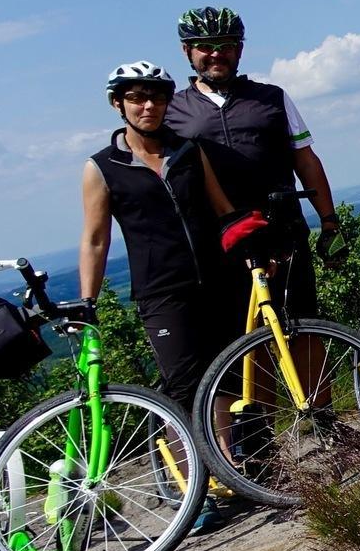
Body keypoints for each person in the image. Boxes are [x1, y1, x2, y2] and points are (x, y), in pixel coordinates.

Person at [81, 62, 243, 410]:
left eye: (157, 98)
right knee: (183, 387)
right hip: (161, 292)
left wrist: (252, 248)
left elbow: (223, 210)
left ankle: (227, 460)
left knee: (228, 378)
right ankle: (189, 466)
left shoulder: (189, 151)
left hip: (218, 279)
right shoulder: (103, 167)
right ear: (117, 104)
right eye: (137, 98)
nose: (148, 106)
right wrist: (87, 302)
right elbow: (96, 240)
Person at [166, 6, 339, 324]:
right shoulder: (172, 111)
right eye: (206, 46)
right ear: (187, 51)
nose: (217, 54)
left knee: (304, 332)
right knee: (245, 348)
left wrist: (329, 223)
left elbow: (306, 161)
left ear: (240, 49)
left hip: (282, 235)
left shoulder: (272, 98)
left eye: (226, 45)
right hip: (218, 247)